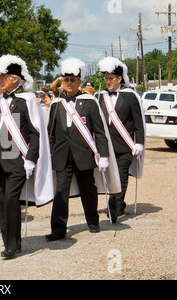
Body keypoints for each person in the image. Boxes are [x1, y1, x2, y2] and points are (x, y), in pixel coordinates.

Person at [0, 54, 54, 259]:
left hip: (18, 160)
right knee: (3, 203)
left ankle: (12, 245)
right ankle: (9, 241)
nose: (0, 80)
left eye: (3, 77)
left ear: (15, 79)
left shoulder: (28, 101)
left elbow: (36, 133)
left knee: (11, 200)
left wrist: (31, 158)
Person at [46, 57, 120, 241]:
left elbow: (100, 132)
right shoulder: (56, 104)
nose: (69, 83)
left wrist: (103, 155)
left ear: (79, 82)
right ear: (62, 82)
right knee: (60, 192)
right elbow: (51, 133)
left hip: (84, 155)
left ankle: (93, 221)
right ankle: (58, 229)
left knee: (88, 190)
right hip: (62, 156)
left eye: (73, 80)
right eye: (66, 80)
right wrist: (51, 152)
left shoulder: (89, 102)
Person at [96, 57, 145, 222]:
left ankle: (114, 210)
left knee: (121, 177)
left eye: (111, 79)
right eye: (106, 78)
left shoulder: (130, 97)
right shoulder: (99, 97)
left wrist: (139, 143)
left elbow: (138, 123)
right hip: (105, 147)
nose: (108, 81)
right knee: (109, 179)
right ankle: (119, 203)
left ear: (119, 79)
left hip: (124, 146)